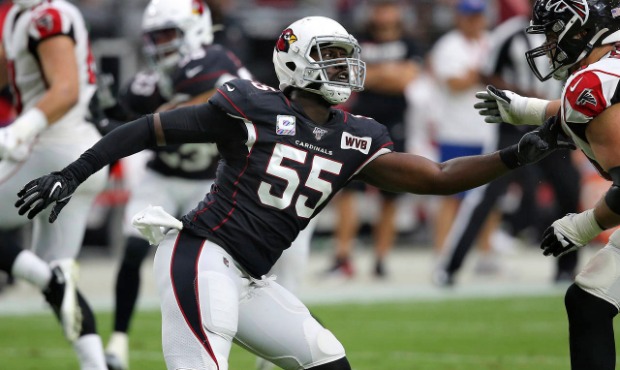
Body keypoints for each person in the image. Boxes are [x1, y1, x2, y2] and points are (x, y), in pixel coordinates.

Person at [14, 15, 571, 370]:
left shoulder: (357, 136)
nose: (346, 68)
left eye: (345, 56)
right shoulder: (249, 107)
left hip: (253, 279)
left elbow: (436, 177)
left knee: (330, 362)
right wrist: (72, 172)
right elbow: (148, 130)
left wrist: (516, 155)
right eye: (331, 57)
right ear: (295, 62)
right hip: (202, 256)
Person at [475, 0, 620, 368]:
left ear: (584, 31)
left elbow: (588, 103)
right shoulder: (604, 73)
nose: (551, 46)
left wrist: (585, 224)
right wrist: (529, 109)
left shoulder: (593, 83)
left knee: (590, 301)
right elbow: (583, 107)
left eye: (556, 34)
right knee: (590, 301)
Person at [433, 0, 582, 286]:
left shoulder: (569, 34)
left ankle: (567, 268)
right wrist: (523, 98)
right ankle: (450, 267)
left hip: (554, 125)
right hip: (512, 128)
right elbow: (487, 74)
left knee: (568, 190)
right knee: (486, 194)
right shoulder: (508, 33)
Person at [0, 0, 109, 369]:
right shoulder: (22, 15)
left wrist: (17, 130)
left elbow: (65, 90)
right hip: (81, 157)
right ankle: (95, 364)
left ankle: (47, 277)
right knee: (61, 286)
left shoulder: (48, 15)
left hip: (52, 151)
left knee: (52, 280)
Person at [325, 0, 422, 278]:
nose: (384, 13)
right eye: (380, 7)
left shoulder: (410, 42)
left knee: (390, 196)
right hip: (359, 124)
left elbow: (407, 79)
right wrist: (388, 73)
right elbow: (351, 77)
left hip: (396, 125)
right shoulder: (358, 40)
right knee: (348, 191)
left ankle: (380, 260)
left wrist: (375, 74)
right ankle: (342, 256)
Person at [427, 0, 498, 271]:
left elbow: (495, 78)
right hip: (456, 131)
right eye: (470, 16)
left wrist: (476, 74)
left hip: (488, 129)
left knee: (489, 196)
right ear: (459, 17)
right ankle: (442, 251)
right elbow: (455, 83)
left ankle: (486, 253)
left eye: (478, 16)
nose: (474, 21)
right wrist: (482, 74)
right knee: (452, 195)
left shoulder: (491, 41)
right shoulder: (449, 45)